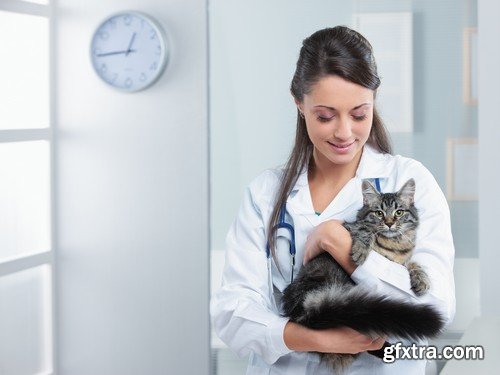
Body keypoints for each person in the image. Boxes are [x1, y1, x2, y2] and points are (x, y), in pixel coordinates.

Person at [210, 26, 455, 375]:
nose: (343, 132)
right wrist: (316, 339)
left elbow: (434, 309)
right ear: (299, 104)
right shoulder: (265, 194)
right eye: (325, 116)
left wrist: (343, 247)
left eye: (359, 114)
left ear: (374, 100)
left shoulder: (408, 182)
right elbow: (233, 315)